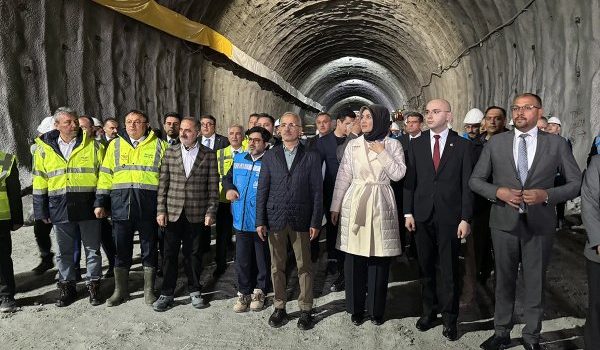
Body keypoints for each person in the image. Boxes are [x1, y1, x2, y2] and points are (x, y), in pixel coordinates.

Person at [470, 93, 581, 350]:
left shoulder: (556, 144)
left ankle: (532, 336)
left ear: (539, 111)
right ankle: (501, 332)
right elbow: (475, 180)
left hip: (539, 225)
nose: (520, 113)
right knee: (503, 280)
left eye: (527, 108)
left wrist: (548, 195)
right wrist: (498, 192)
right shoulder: (496, 144)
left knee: (535, 281)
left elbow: (576, 183)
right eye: (516, 108)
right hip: (503, 223)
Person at [403, 99, 474, 341]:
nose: (430, 116)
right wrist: (408, 212)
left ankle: (450, 318)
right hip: (422, 216)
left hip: (450, 217)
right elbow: (410, 182)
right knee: (425, 267)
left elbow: (467, 185)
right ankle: (428, 311)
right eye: (428, 112)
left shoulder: (462, 146)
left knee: (449, 269)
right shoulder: (417, 144)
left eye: (436, 111)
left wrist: (465, 218)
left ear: (449, 116)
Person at [330, 104, 406, 326]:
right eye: (361, 117)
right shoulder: (353, 145)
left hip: (381, 200)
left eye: (368, 117)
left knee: (378, 258)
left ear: (380, 120)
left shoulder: (393, 145)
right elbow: (343, 176)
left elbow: (399, 174)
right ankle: (355, 308)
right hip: (356, 200)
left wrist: (382, 153)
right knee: (354, 257)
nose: (362, 121)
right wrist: (335, 206)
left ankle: (376, 309)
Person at [256, 112, 323, 330]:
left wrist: (315, 221)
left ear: (300, 129)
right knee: (277, 266)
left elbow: (317, 191)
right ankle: (280, 306)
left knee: (304, 266)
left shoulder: (312, 156)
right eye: (283, 125)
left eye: (292, 125)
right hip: (275, 218)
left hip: (302, 220)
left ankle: (305, 309)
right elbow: (263, 190)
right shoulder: (270, 156)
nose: (287, 129)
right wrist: (260, 220)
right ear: (278, 130)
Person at [33, 107, 105, 307]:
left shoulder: (94, 146)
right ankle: (67, 288)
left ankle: (94, 287)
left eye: (75, 121)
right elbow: (39, 180)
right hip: (60, 207)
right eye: (68, 122)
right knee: (64, 252)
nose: (74, 125)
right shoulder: (43, 149)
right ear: (56, 125)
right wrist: (41, 210)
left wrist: (101, 203)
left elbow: (103, 178)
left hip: (88, 207)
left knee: (92, 249)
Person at [95, 109, 168, 307]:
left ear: (146, 124)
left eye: (137, 122)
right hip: (121, 207)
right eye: (128, 121)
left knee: (149, 249)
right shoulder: (114, 145)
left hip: (148, 208)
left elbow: (165, 179)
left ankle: (148, 292)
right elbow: (105, 175)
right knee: (121, 250)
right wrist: (100, 202)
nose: (132, 125)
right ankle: (120, 291)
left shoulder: (160, 146)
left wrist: (162, 208)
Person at [152, 117, 219, 311]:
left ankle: (194, 290)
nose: (182, 133)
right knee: (169, 254)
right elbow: (163, 184)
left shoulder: (208, 155)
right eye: (181, 129)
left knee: (194, 254)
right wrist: (160, 210)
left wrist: (211, 211)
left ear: (197, 132)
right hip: (172, 212)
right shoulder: (170, 152)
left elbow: (213, 187)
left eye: (188, 130)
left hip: (197, 213)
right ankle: (166, 293)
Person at [223, 126, 272, 312]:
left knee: (262, 260)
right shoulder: (239, 158)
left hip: (260, 221)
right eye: (250, 139)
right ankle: (243, 293)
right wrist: (229, 189)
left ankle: (260, 291)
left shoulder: (270, 162)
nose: (252, 143)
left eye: (256, 140)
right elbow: (227, 179)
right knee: (242, 260)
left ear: (266, 143)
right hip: (240, 220)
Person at [315, 108, 356, 292]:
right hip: (331, 194)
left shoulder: (357, 142)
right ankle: (334, 261)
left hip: (353, 195)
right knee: (333, 232)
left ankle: (347, 268)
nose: (350, 126)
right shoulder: (323, 143)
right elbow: (317, 171)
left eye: (352, 123)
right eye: (347, 123)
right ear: (338, 123)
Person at [214, 124, 246, 277]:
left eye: (238, 134)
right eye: (231, 133)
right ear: (228, 136)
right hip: (223, 200)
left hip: (242, 202)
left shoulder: (248, 154)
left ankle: (240, 263)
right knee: (222, 234)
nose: (234, 136)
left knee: (241, 234)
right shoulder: (219, 154)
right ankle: (220, 264)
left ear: (243, 136)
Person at [31, 117, 56, 275]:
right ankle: (46, 258)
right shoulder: (38, 149)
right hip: (45, 195)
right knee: (41, 230)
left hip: (59, 196)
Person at [396, 112, 423, 260]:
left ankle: (414, 250)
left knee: (418, 219)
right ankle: (400, 250)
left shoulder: (427, 141)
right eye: (408, 122)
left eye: (414, 122)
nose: (410, 125)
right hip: (401, 187)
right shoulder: (399, 141)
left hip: (419, 187)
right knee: (401, 218)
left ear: (421, 124)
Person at [0, 151, 23, 313]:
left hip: (0, 218)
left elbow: (14, 192)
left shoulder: (6, 160)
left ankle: (6, 295)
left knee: (1, 259)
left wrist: (17, 219)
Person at [581, 155, 600, 349]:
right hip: (599, 251)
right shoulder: (597, 164)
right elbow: (589, 203)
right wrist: (598, 240)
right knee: (598, 307)